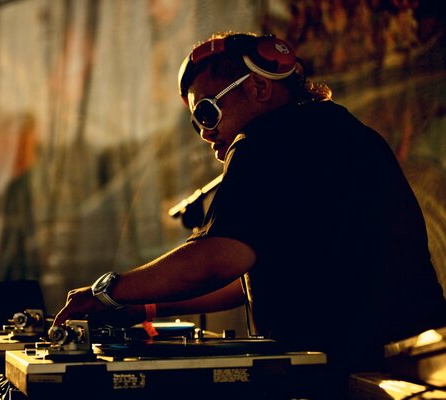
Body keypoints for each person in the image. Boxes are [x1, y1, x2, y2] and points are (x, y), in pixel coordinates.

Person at [52, 32, 446, 397]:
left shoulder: (263, 141)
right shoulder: (343, 133)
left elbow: (217, 259)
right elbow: (243, 275)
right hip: (407, 369)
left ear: (259, 87)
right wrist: (140, 308)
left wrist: (107, 292)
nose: (205, 133)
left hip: (353, 374)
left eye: (207, 112)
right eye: (196, 122)